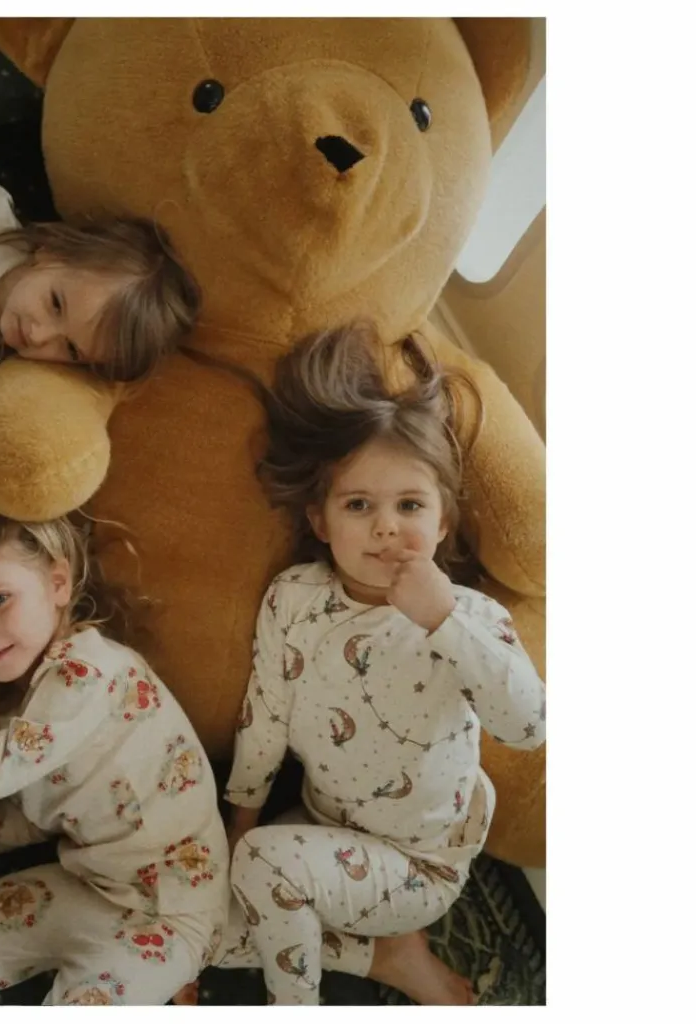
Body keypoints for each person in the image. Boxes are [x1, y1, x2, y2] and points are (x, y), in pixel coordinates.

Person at [198, 322, 546, 1005]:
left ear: (442, 522)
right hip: (319, 831)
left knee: (261, 870)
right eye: (359, 505)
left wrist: (443, 619)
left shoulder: (467, 618)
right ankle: (383, 959)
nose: (386, 526)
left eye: (409, 505)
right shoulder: (294, 599)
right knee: (203, 919)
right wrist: (240, 822)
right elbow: (264, 717)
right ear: (321, 521)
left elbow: (530, 726)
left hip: (420, 865)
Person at [0, 451, 227, 1005]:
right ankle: (126, 974)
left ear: (58, 582)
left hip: (170, 912)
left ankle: (166, 967)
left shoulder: (86, 674)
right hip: (91, 885)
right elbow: (42, 811)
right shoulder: (23, 696)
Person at [0, 19, 200, 425]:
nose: (39, 335)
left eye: (70, 350)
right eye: (55, 304)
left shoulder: (2, 377)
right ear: (54, 251)